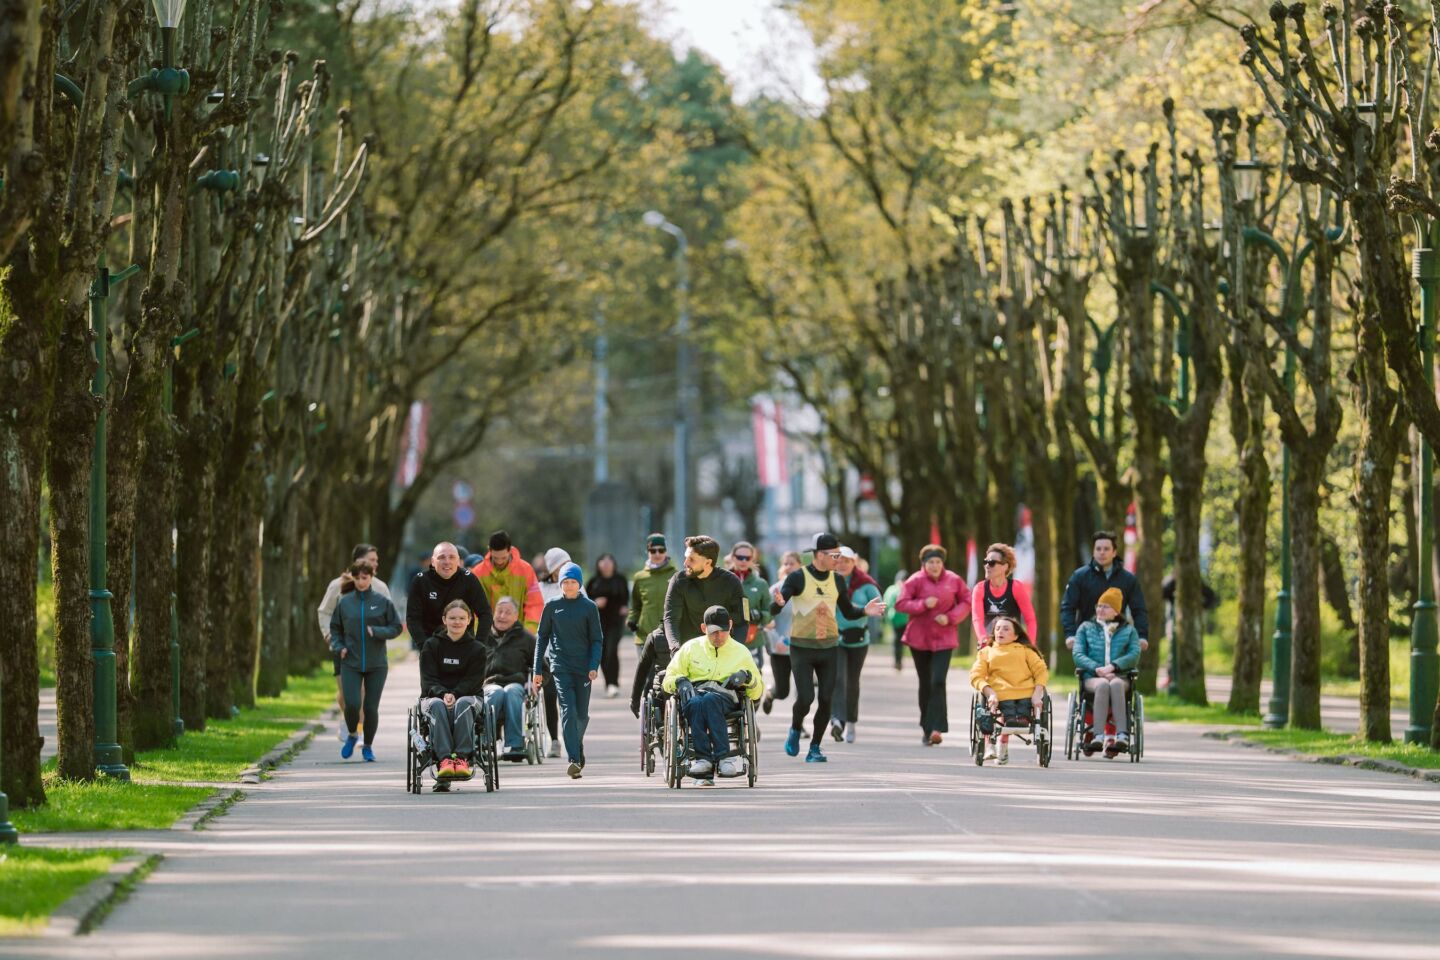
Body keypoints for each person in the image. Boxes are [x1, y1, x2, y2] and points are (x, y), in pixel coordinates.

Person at [770, 533, 886, 763]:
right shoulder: (798, 577)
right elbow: (776, 607)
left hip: (829, 646)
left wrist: (865, 611)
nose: (838, 560)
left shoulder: (837, 580)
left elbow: (847, 611)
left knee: (826, 699)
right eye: (834, 555)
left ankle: (815, 747)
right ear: (819, 555)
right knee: (805, 698)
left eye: (839, 555)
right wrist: (778, 604)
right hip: (802, 647)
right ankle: (795, 729)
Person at [662, 605, 765, 785]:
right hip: (695, 693)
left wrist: (747, 678)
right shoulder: (690, 648)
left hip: (726, 695)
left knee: (709, 700)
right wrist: (679, 681)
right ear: (704, 628)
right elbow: (667, 679)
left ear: (730, 625)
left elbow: (757, 692)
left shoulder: (741, 651)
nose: (719, 636)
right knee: (696, 703)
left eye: (723, 631)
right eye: (713, 632)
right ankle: (705, 760)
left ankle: (721, 758)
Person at [895, 544, 971, 746]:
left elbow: (967, 600)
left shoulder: (953, 580)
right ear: (924, 564)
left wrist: (951, 617)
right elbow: (900, 603)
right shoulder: (915, 580)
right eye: (931, 562)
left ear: (942, 563)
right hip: (919, 639)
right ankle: (927, 728)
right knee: (926, 682)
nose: (935, 566)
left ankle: (937, 728)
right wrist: (922, 604)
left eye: (938, 562)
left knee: (938, 680)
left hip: (945, 639)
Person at [532, 562, 602, 779]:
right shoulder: (552, 606)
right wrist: (537, 669)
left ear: (579, 584)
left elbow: (597, 639)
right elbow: (542, 637)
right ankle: (573, 759)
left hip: (583, 668)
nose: (569, 586)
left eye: (573, 582)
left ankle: (576, 744)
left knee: (581, 714)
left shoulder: (589, 607)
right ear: (560, 583)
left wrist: (593, 665)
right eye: (565, 582)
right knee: (567, 710)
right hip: (560, 666)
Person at [329, 560, 403, 761]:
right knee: (352, 704)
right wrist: (339, 646)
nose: (361, 582)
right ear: (352, 578)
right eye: (357, 578)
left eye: (365, 577)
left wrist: (377, 631)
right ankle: (353, 734)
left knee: (370, 708)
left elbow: (396, 627)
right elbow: (335, 629)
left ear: (371, 577)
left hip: (376, 664)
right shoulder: (345, 603)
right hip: (350, 662)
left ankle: (368, 746)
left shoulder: (382, 602)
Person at [317, 544, 391, 741]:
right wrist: (329, 635)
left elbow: (389, 616)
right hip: (343, 647)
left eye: (376, 561)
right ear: (358, 561)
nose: (376, 564)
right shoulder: (337, 585)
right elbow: (324, 611)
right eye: (372, 560)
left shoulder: (380, 587)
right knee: (346, 694)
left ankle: (358, 731)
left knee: (363, 693)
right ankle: (349, 719)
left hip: (370, 649)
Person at [419, 600, 488, 787]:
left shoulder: (477, 649)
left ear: (469, 620)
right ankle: (445, 760)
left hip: (469, 697)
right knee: (437, 705)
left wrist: (455, 694)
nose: (457, 622)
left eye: (461, 618)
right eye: (452, 618)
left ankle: (462, 758)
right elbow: (428, 680)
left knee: (463, 703)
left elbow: (474, 680)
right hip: (434, 697)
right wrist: (443, 694)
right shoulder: (431, 645)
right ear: (444, 620)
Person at [970, 615, 1049, 764]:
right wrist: (989, 692)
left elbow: (1041, 671)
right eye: (997, 628)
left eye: (1006, 629)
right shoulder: (986, 652)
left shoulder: (1025, 650)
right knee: (1008, 711)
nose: (1000, 631)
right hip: (1000, 694)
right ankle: (1001, 733)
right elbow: (976, 675)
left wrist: (1037, 693)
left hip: (1026, 692)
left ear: (1015, 636)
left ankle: (1020, 720)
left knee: (1023, 710)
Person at [1073, 587, 1141, 758]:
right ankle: (1098, 736)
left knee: (1116, 683)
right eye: (1099, 606)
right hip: (1093, 677)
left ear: (1116, 611)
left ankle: (1122, 735)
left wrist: (1113, 667)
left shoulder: (1128, 630)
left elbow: (1134, 654)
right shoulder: (1086, 627)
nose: (1100, 609)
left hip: (1119, 676)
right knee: (1103, 684)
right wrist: (1098, 668)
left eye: (1106, 606)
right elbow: (1078, 654)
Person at [1060, 530, 1150, 653]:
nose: (1102, 552)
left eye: (1106, 549)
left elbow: (1139, 610)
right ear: (1093, 552)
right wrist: (1070, 635)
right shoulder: (1079, 577)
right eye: (1098, 549)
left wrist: (1142, 636)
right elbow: (1067, 607)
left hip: (1119, 641)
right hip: (1087, 642)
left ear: (1114, 552)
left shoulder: (1128, 580)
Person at [829, 546, 880, 744]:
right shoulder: (828, 581)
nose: (842, 564)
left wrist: (868, 610)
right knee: (838, 679)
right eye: (839, 561)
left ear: (854, 562)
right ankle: (837, 720)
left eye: (847, 561)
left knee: (852, 682)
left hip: (858, 639)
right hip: (836, 638)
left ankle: (850, 722)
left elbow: (879, 604)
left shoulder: (865, 583)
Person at [663, 536, 748, 653]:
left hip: (722, 650)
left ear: (708, 562)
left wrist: (734, 652)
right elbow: (671, 619)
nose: (685, 563)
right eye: (686, 557)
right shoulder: (678, 581)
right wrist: (675, 649)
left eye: (691, 559)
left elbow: (743, 621)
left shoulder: (732, 582)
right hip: (687, 650)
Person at [406, 542, 493, 653]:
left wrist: (479, 646)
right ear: (432, 561)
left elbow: (485, 613)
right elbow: (412, 618)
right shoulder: (421, 581)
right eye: (441, 557)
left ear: (458, 561)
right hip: (432, 647)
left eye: (452, 557)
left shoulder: (469, 580)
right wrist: (424, 646)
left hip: (465, 647)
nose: (447, 562)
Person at [534, 546, 578, 756]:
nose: (566, 569)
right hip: (547, 652)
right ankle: (554, 739)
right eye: (562, 565)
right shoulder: (539, 589)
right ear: (552, 568)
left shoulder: (576, 587)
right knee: (550, 695)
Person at [482, 596, 536, 762]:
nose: (502, 616)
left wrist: (535, 682)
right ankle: (485, 742)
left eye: (507, 612)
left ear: (516, 616)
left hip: (517, 684)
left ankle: (515, 745)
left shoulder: (526, 638)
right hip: (490, 683)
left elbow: (542, 667)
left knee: (511, 691)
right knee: (496, 692)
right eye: (499, 611)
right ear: (493, 614)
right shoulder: (482, 637)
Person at [471, 530, 543, 632]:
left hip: (519, 633)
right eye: (496, 558)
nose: (499, 561)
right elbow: (475, 608)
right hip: (488, 635)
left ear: (510, 550)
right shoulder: (478, 573)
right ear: (489, 550)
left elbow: (534, 604)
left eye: (503, 558)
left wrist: (528, 633)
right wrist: (480, 634)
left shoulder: (526, 570)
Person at [971, 543, 1038, 648]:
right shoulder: (979, 589)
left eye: (992, 563)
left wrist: (1029, 644)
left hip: (1014, 645)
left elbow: (1030, 619)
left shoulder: (1016, 587)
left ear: (1005, 566)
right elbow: (977, 619)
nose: (987, 566)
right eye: (985, 562)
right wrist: (983, 640)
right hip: (989, 644)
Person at [761, 551, 802, 715]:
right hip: (780, 647)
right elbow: (766, 619)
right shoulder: (775, 590)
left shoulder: (806, 589)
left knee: (803, 690)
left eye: (792, 563)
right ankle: (771, 693)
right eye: (785, 563)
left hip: (802, 647)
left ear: (800, 566)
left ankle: (798, 723)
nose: (788, 567)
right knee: (783, 691)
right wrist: (773, 639)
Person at [585, 554, 630, 698]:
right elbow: (585, 600)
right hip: (598, 622)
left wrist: (625, 608)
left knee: (612, 649)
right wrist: (595, 602)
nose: (606, 564)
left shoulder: (620, 580)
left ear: (614, 564)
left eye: (609, 561)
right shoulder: (593, 581)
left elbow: (625, 599)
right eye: (602, 561)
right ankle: (609, 684)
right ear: (598, 564)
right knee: (603, 653)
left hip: (616, 621)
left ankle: (613, 683)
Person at [728, 541, 772, 669]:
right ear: (732, 557)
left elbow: (769, 612)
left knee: (754, 677)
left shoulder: (761, 584)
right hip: (728, 641)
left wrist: (760, 615)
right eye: (739, 557)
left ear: (753, 559)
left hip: (753, 639)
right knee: (730, 678)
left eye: (747, 558)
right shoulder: (723, 581)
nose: (743, 561)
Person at [628, 534, 677, 646]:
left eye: (661, 550)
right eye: (653, 551)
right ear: (648, 552)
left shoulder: (676, 575)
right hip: (644, 636)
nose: (657, 554)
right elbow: (636, 605)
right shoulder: (639, 577)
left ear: (666, 551)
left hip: (669, 637)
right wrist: (632, 619)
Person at [883, 570, 909, 672]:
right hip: (899, 619)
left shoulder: (892, 589)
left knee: (898, 641)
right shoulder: (896, 590)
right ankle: (898, 661)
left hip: (900, 619)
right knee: (899, 641)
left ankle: (898, 661)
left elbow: (886, 603)